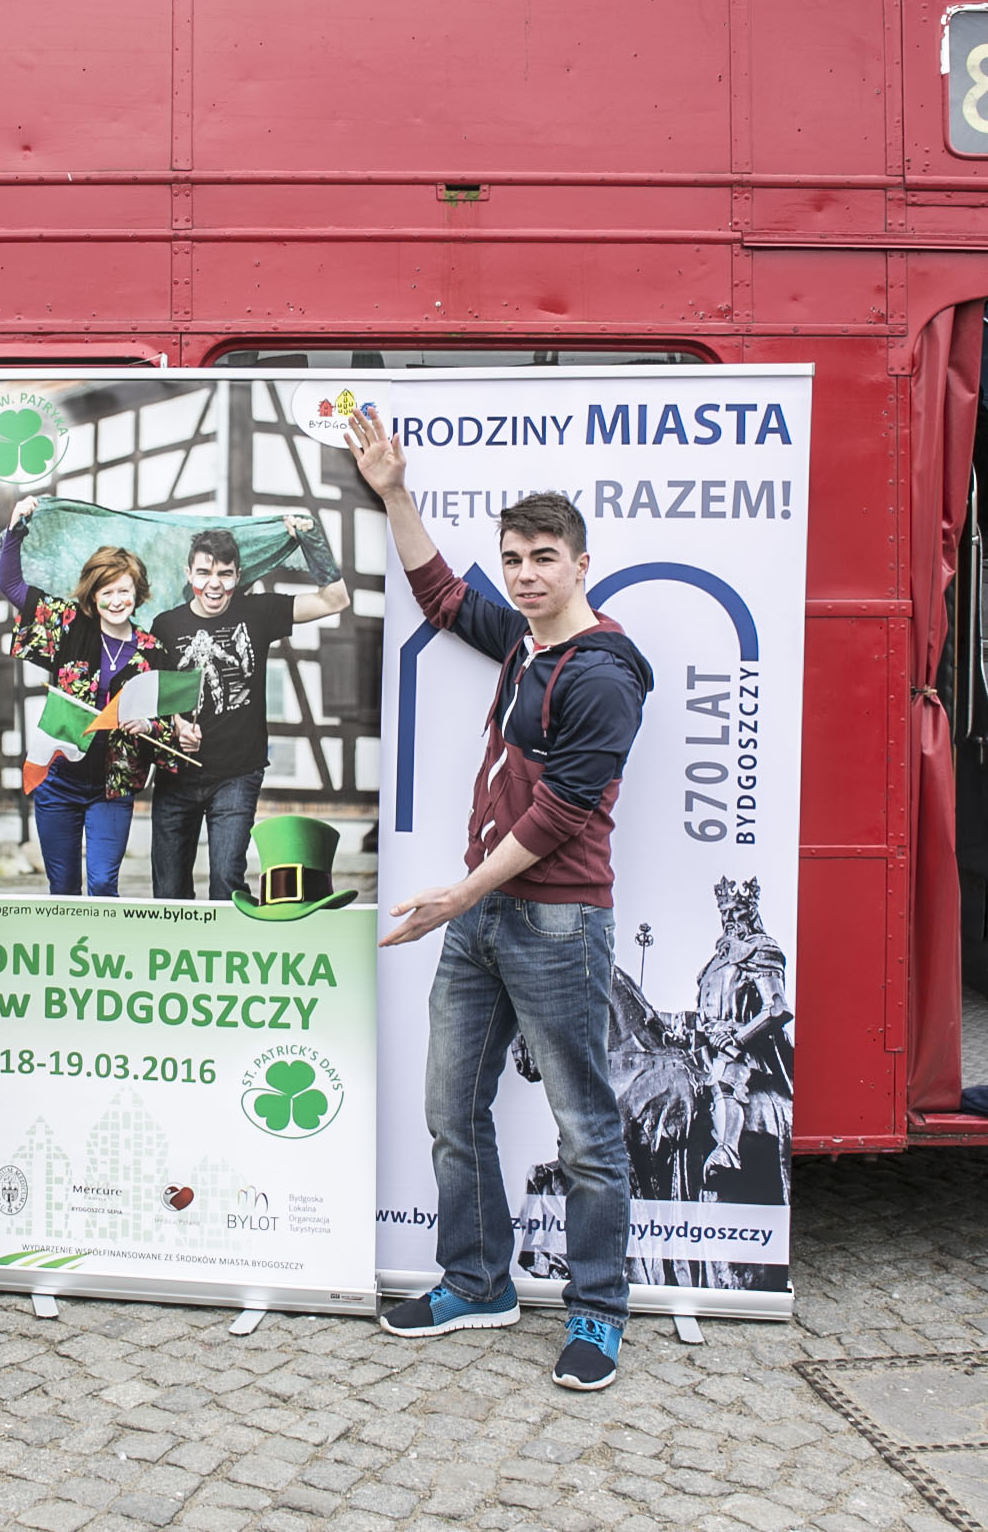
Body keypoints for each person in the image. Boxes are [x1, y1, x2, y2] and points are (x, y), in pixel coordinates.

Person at [345, 405, 653, 1393]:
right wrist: (394, 492)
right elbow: (441, 596)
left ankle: (597, 1311)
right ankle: (477, 1282)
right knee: (452, 1107)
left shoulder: (602, 673)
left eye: (542, 558)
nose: (523, 574)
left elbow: (562, 812)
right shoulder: (525, 643)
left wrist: (458, 895)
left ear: (581, 564)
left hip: (556, 921)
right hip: (479, 914)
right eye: (513, 558)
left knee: (584, 1129)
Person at [148, 520, 349, 901]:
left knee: (227, 882)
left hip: (237, 775)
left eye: (225, 574)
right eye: (204, 573)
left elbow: (335, 600)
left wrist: (312, 540)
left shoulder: (259, 612)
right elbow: (154, 692)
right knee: (169, 891)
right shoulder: (166, 625)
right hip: (176, 777)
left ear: (238, 576)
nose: (214, 584)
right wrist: (175, 724)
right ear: (189, 574)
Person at [0, 494, 175, 896]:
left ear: (137, 594)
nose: (116, 601)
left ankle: (102, 940)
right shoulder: (69, 626)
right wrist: (16, 527)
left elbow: (167, 722)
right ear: (93, 595)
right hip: (58, 778)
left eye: (124, 591)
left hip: (113, 786)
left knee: (102, 883)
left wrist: (149, 725)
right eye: (106, 592)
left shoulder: (153, 651)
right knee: (62, 886)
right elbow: (10, 585)